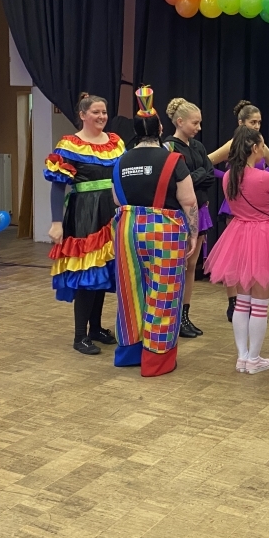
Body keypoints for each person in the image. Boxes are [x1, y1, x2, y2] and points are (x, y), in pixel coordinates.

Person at [205, 126, 269, 374]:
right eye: (262, 145)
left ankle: (242, 357)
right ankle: (254, 359)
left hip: (237, 235)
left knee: (242, 302)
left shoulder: (229, 177)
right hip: (263, 235)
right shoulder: (266, 178)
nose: (264, 148)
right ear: (254, 148)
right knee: (260, 303)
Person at [110, 87, 198, 376]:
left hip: (127, 230)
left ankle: (130, 352)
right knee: (164, 293)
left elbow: (116, 199)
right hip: (164, 232)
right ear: (160, 129)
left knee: (130, 292)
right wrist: (193, 234)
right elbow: (189, 201)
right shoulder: (172, 160)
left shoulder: (120, 161)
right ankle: (156, 359)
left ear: (135, 131)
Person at [45, 93, 125, 355]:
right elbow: (58, 188)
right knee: (87, 274)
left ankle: (95, 328)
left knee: (102, 272)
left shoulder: (115, 143)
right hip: (84, 215)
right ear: (82, 115)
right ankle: (80, 335)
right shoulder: (70, 145)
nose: (102, 117)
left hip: (110, 213)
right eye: (96, 112)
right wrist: (56, 222)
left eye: (104, 112)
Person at [208, 100, 269, 321]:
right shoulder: (232, 145)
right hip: (236, 204)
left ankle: (251, 299)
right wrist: (228, 177)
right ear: (241, 123)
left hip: (257, 204)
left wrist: (263, 179)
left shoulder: (260, 144)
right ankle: (234, 301)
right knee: (236, 257)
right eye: (252, 122)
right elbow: (207, 163)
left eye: (259, 122)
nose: (256, 126)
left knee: (256, 256)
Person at [163, 97, 215, 339]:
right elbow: (174, 183)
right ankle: (173, 315)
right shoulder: (168, 148)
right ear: (180, 122)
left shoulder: (198, 147)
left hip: (199, 209)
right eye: (195, 123)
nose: (199, 127)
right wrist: (198, 175)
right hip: (179, 212)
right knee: (179, 265)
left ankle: (184, 315)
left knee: (192, 265)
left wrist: (195, 176)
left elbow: (210, 176)